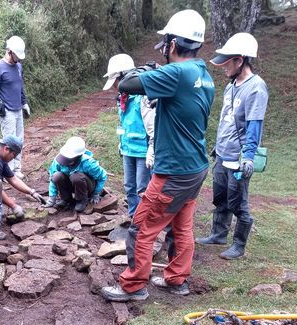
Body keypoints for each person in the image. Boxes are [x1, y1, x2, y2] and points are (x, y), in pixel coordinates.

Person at [100, 9, 215, 302]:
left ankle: (133, 285)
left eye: (165, 43)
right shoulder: (203, 74)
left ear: (173, 44)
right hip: (196, 167)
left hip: (174, 170)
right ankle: (177, 279)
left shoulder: (175, 73)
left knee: (141, 227)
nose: (164, 49)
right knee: (182, 225)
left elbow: (126, 85)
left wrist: (146, 70)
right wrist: (155, 73)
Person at [196, 33, 268, 259]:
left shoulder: (256, 88)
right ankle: (218, 234)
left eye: (227, 62)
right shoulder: (231, 86)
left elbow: (254, 126)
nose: (223, 66)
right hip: (222, 154)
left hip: (239, 158)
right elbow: (226, 119)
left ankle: (239, 244)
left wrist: (247, 157)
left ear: (240, 60)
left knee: (238, 202)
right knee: (220, 197)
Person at [103, 54, 156, 217]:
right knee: (129, 186)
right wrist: (121, 142)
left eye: (116, 82)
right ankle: (134, 216)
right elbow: (123, 123)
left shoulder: (143, 97)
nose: (114, 87)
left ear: (125, 76)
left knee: (143, 188)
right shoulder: (122, 98)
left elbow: (152, 125)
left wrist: (151, 148)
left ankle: (144, 220)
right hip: (127, 149)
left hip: (142, 151)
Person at [0, 36, 30, 179]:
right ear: (9, 52)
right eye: (16, 55)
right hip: (7, 111)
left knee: (20, 140)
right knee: (9, 143)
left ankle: (17, 168)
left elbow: (20, 87)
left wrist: (24, 103)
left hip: (18, 109)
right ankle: (8, 171)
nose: (19, 59)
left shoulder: (18, 66)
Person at [45, 136, 108, 213]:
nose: (65, 161)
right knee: (56, 176)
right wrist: (52, 198)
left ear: (78, 157)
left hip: (87, 187)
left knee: (76, 176)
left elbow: (102, 177)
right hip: (71, 185)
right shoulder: (58, 159)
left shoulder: (88, 163)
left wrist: (96, 194)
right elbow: (52, 178)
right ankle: (66, 198)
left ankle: (81, 200)